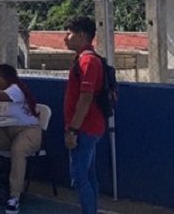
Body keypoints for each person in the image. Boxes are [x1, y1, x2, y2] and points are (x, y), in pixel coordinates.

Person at [0, 64, 42, 214]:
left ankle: (14, 197)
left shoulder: (15, 88)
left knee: (17, 151)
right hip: (7, 129)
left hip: (29, 130)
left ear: (7, 78)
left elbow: (2, 97)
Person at [63, 16, 105, 214]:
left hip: (85, 128)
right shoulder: (85, 59)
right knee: (89, 174)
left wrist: (73, 129)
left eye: (69, 33)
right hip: (89, 126)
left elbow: (85, 98)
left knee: (80, 176)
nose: (65, 38)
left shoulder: (87, 61)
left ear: (82, 35)